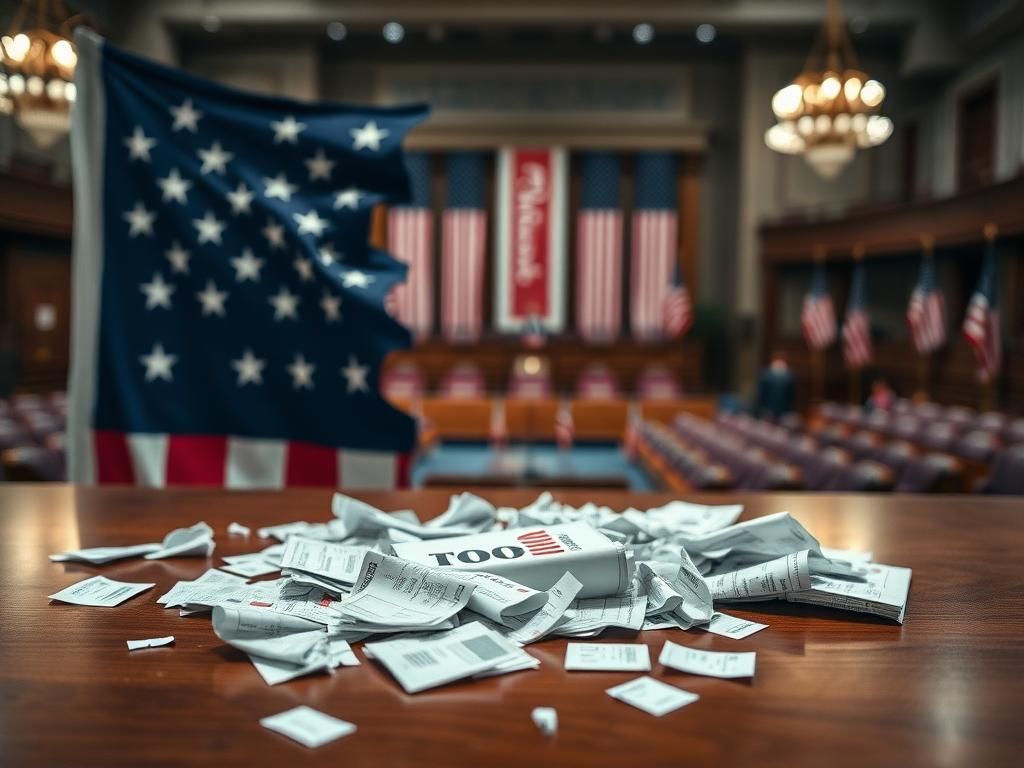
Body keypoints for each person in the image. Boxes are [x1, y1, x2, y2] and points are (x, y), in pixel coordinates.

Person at [755, 351, 795, 420]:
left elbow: (790, 395)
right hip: (770, 408)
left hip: (780, 410)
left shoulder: (788, 376)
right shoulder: (766, 374)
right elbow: (762, 393)